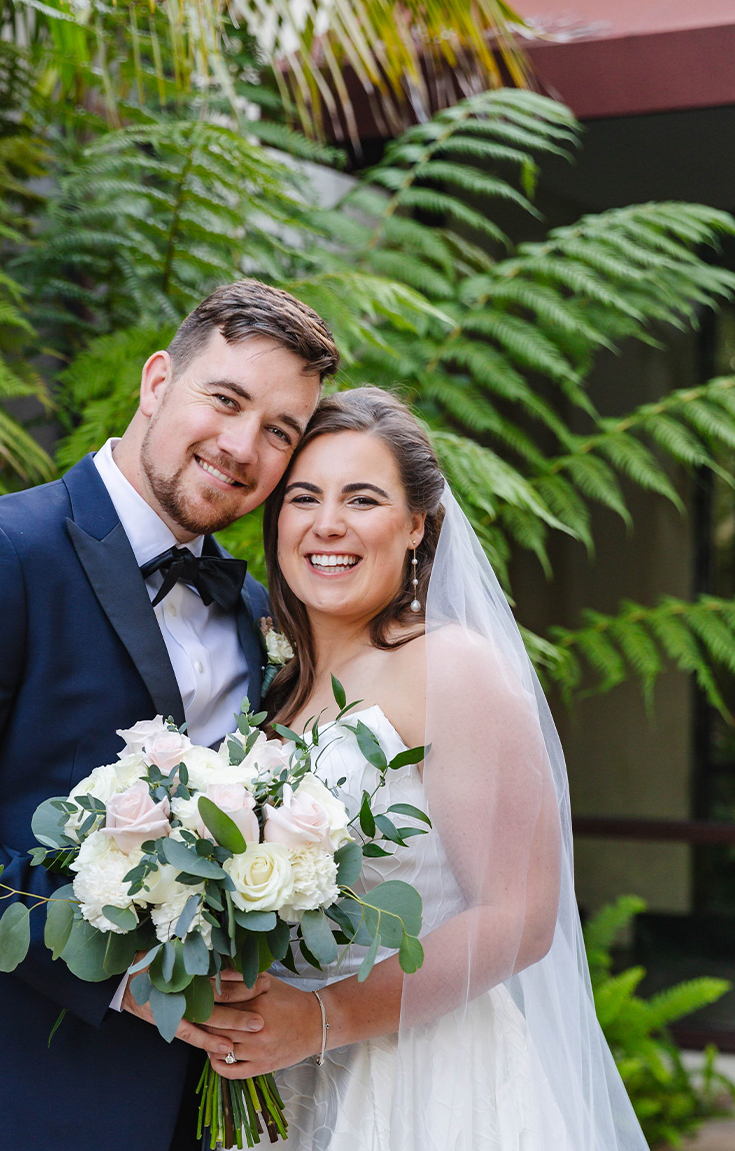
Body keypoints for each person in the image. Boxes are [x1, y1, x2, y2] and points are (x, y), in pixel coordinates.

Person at [0, 279, 340, 1151]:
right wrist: (122, 973)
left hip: (180, 1105)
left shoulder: (259, 611)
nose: (240, 446)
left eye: (278, 431)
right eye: (225, 400)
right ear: (156, 383)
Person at [202, 388, 649, 1151]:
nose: (327, 524)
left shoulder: (452, 668)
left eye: (363, 498)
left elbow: (519, 919)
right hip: (285, 1083)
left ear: (416, 525)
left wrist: (324, 1018)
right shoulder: (273, 684)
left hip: (422, 1079)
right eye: (303, 497)